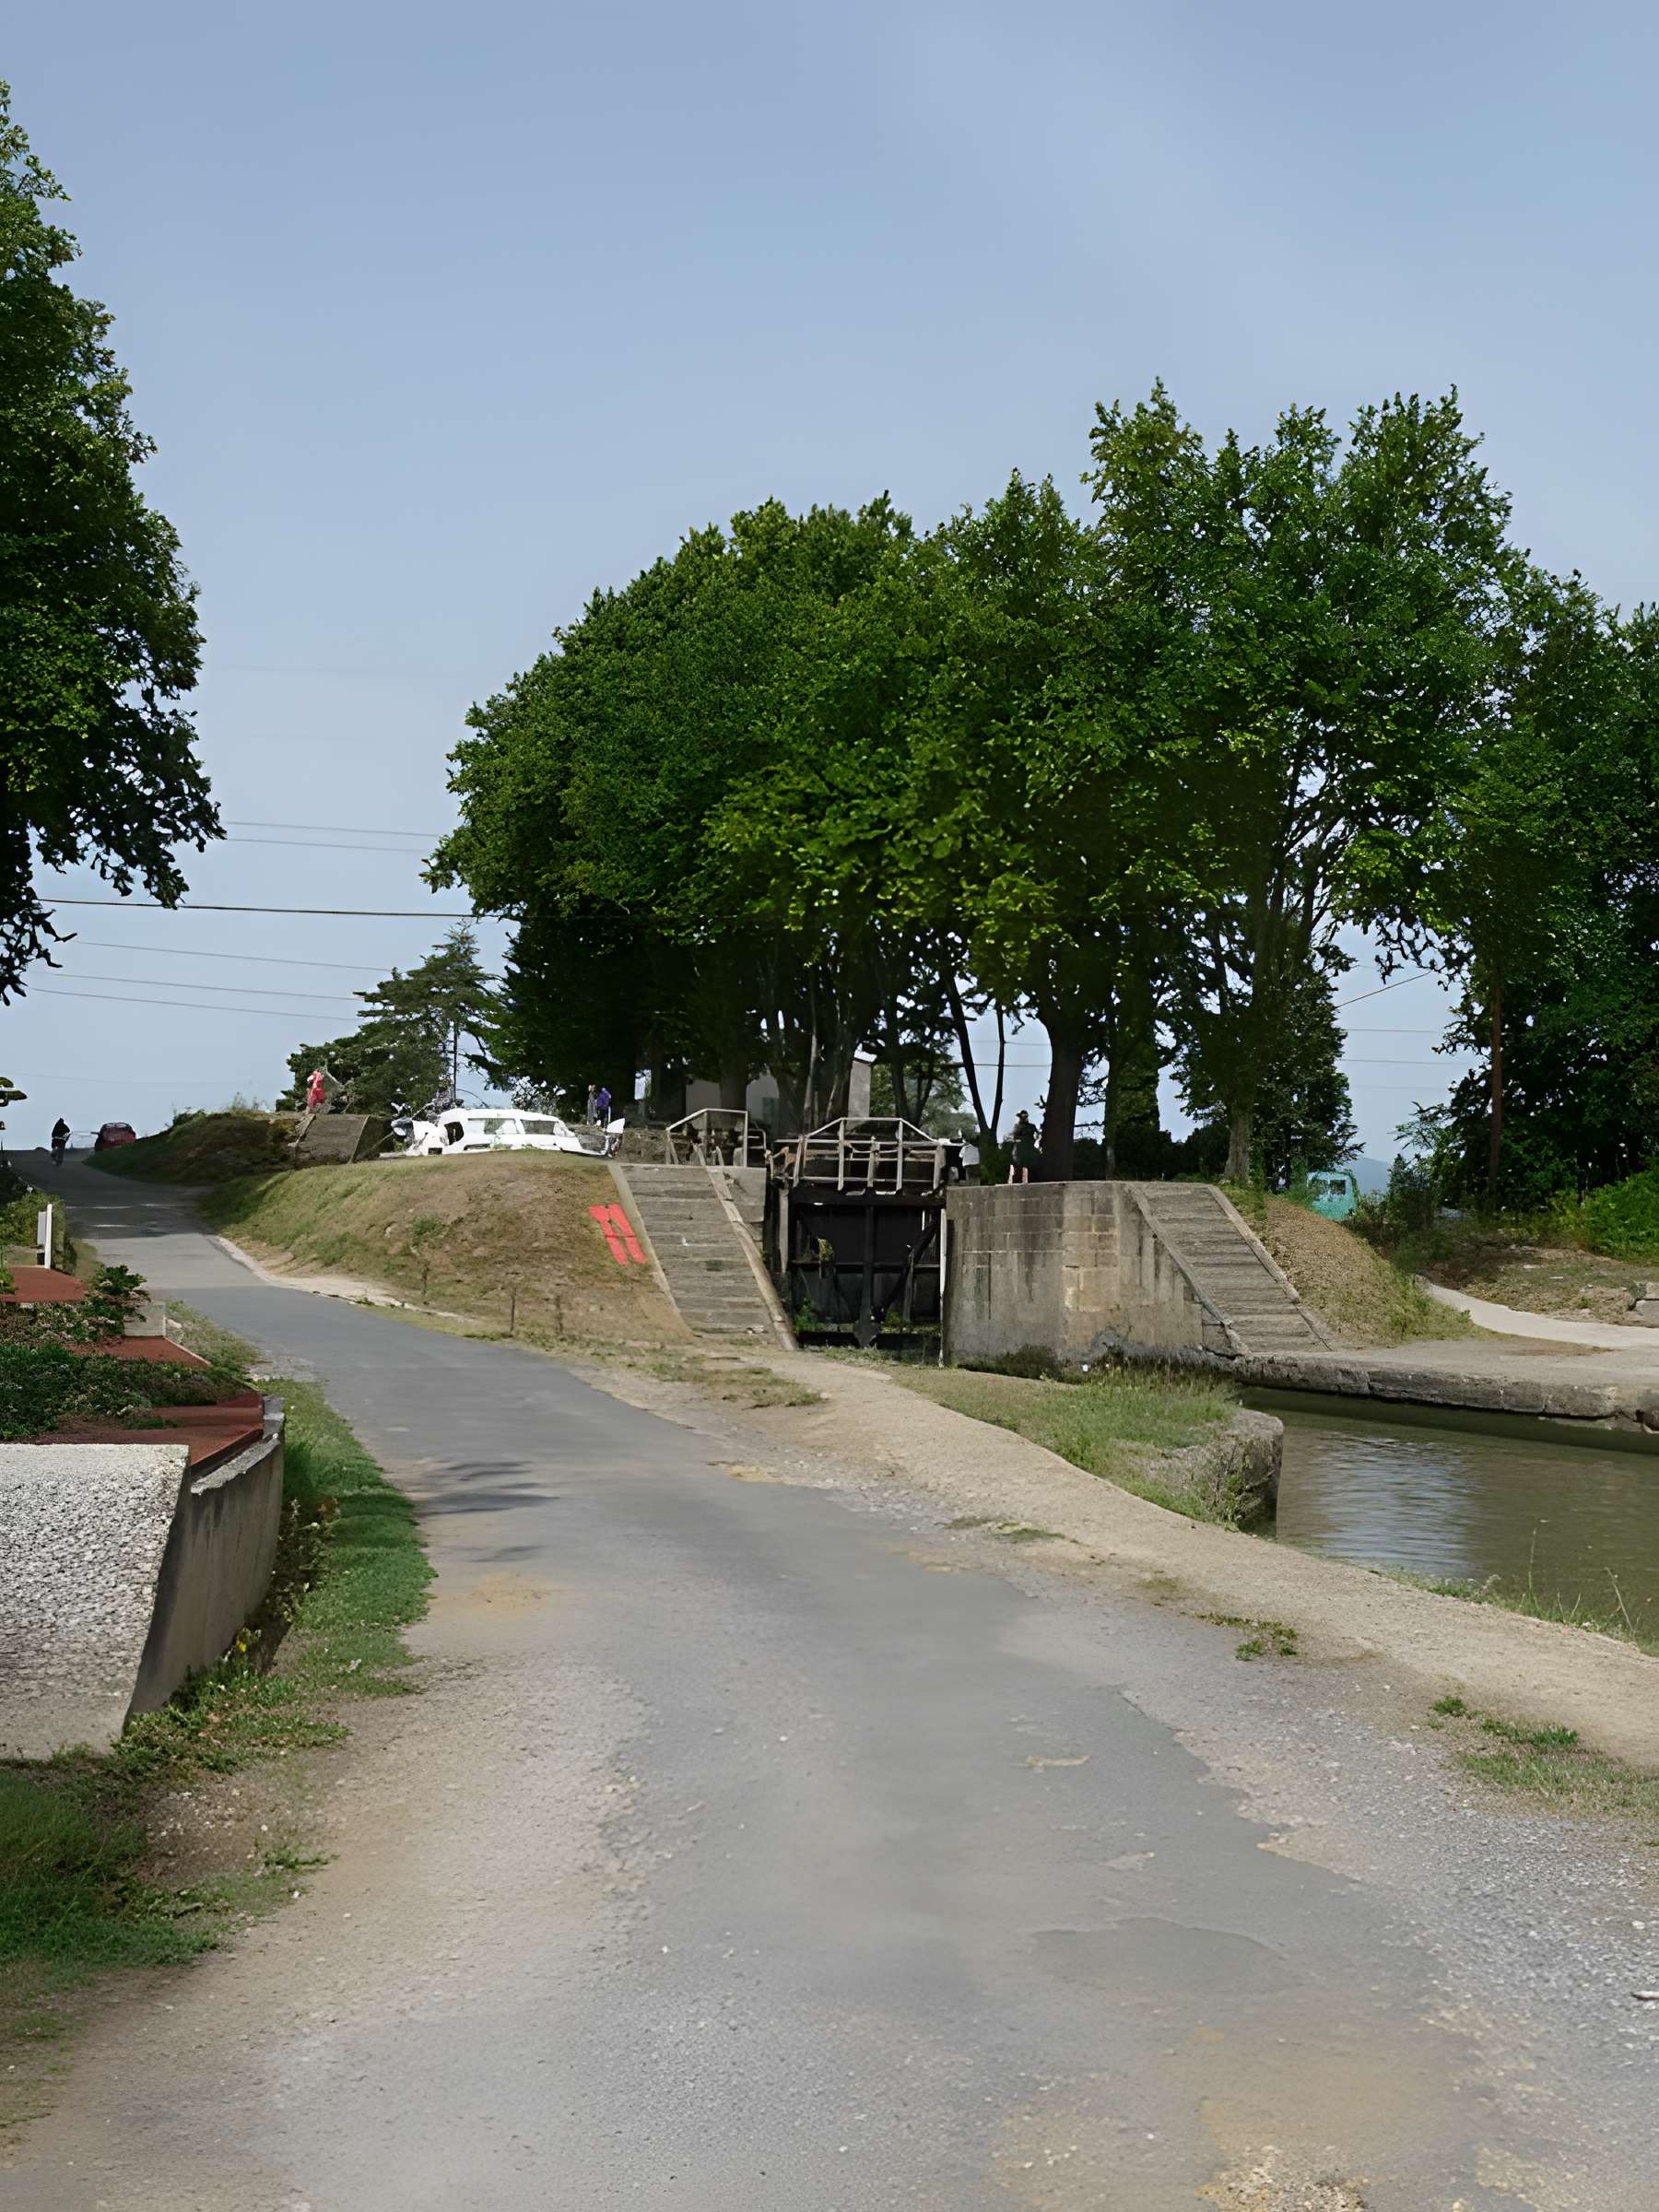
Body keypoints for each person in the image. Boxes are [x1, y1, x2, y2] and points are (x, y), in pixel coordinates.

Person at [1007, 1110, 1040, 1184]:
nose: (1022, 1118)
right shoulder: (1017, 1126)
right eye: (1021, 1116)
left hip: (1029, 1149)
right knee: (1017, 1170)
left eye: (1024, 1116)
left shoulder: (1032, 1126)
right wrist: (1019, 1141)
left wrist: (1034, 1140)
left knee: (1033, 1169)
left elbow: (1037, 1135)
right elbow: (1014, 1137)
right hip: (1020, 1150)